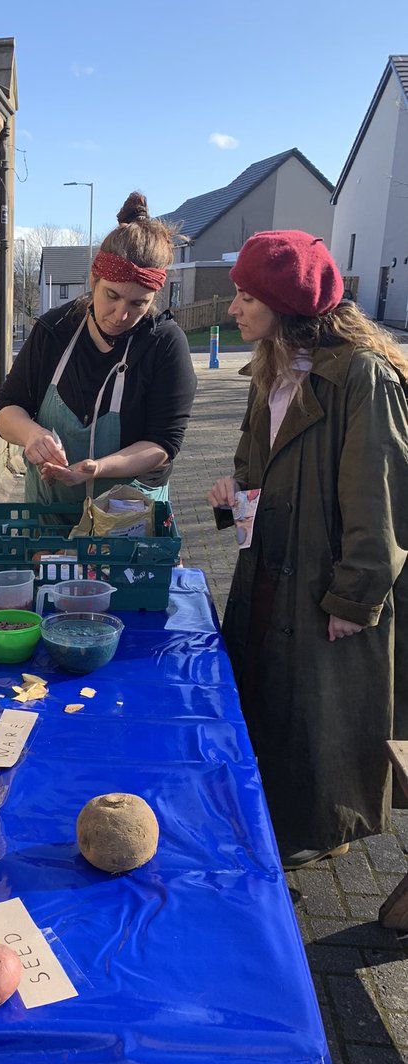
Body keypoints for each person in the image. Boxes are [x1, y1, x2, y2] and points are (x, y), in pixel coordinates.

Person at [207, 230, 408, 868]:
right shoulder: (269, 367)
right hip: (270, 565)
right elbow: (253, 467)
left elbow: (380, 499)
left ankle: (315, 830)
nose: (232, 308)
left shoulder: (360, 376)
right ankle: (274, 815)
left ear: (285, 302)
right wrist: (229, 494)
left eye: (245, 296)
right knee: (269, 692)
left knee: (320, 716)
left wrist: (354, 594)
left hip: (325, 580)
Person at [0, 192, 196, 509]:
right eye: (111, 296)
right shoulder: (55, 330)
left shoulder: (165, 344)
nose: (120, 315)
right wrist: (31, 434)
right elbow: (6, 408)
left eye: (137, 304)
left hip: (128, 519)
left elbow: (163, 444)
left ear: (153, 298)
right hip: (51, 514)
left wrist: (97, 469)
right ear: (94, 278)